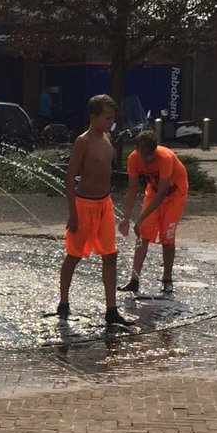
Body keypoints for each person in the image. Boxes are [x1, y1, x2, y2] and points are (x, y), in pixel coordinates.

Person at [58, 93, 132, 327]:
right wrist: (73, 213)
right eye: (107, 118)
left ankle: (111, 310)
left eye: (112, 118)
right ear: (93, 117)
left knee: (111, 254)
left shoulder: (107, 137)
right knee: (74, 256)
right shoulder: (83, 141)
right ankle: (63, 302)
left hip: (105, 203)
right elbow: (70, 177)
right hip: (84, 204)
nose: (110, 122)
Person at [118, 129, 189, 296]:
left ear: (155, 149)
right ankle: (134, 280)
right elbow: (132, 189)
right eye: (145, 155)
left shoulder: (165, 157)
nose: (149, 159)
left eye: (152, 154)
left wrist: (140, 218)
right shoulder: (133, 159)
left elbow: (163, 191)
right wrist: (126, 219)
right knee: (143, 234)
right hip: (153, 192)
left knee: (167, 235)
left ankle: (167, 279)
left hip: (175, 194)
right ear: (136, 149)